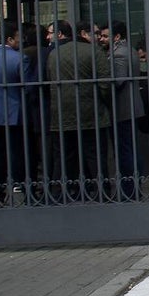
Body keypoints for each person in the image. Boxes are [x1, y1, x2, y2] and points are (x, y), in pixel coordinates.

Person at [46, 21, 111, 203]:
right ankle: (101, 192)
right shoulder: (93, 52)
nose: (98, 37)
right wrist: (104, 103)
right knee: (95, 155)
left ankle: (60, 193)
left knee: (63, 157)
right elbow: (105, 83)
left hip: (61, 114)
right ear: (84, 34)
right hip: (90, 114)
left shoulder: (54, 54)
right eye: (96, 34)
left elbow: (49, 80)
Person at [0, 20, 37, 205]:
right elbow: (27, 87)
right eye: (19, 37)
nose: (21, 40)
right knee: (21, 154)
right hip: (15, 114)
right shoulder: (20, 59)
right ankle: (28, 193)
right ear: (10, 39)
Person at [102, 21, 143, 201]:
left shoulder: (118, 55)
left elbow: (118, 81)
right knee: (131, 149)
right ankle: (134, 188)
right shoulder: (129, 50)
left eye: (105, 36)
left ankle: (129, 191)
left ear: (117, 36)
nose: (101, 39)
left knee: (125, 151)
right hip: (131, 108)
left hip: (122, 109)